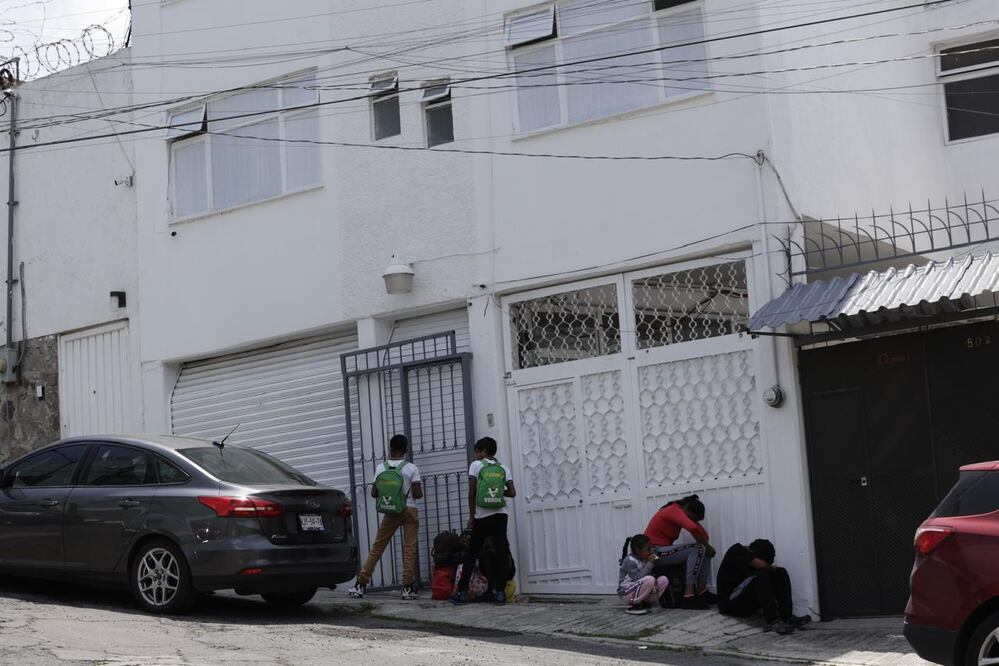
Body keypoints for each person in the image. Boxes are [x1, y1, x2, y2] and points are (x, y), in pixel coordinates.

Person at [347, 434, 422, 601]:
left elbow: (374, 493)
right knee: (409, 549)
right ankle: (407, 588)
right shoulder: (411, 468)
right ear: (405, 450)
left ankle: (360, 584)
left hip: (391, 511)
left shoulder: (381, 468)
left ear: (391, 448)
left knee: (378, 547)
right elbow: (418, 494)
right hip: (410, 510)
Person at [451, 437, 516, 605]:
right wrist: (496, 493)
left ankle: (462, 592)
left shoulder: (476, 465)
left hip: (482, 516)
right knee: (501, 552)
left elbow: (472, 492)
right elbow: (512, 492)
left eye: (477, 452)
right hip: (501, 515)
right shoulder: (503, 467)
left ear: (482, 451)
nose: (476, 455)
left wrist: (472, 516)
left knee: (472, 554)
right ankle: (500, 593)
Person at [716, 539, 812, 635]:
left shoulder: (751, 557)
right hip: (729, 603)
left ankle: (787, 617)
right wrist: (770, 568)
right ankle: (772, 621)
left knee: (780, 572)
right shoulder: (736, 550)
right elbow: (761, 565)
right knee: (761, 573)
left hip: (745, 601)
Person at [644, 495, 716, 609]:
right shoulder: (673, 510)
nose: (693, 521)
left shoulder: (683, 510)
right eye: (693, 518)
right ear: (687, 508)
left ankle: (702, 591)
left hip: (661, 552)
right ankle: (688, 596)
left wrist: (706, 545)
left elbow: (703, 535)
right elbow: (692, 528)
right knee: (699, 548)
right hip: (652, 555)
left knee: (704, 549)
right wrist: (705, 545)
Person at [618, 534, 670, 615]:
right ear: (638, 550)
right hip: (626, 593)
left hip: (638, 588)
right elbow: (637, 578)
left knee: (664, 580)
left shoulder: (643, 558)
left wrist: (653, 559)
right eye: (648, 549)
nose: (650, 551)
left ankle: (647, 602)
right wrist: (649, 563)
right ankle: (633, 604)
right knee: (650, 579)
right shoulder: (629, 561)